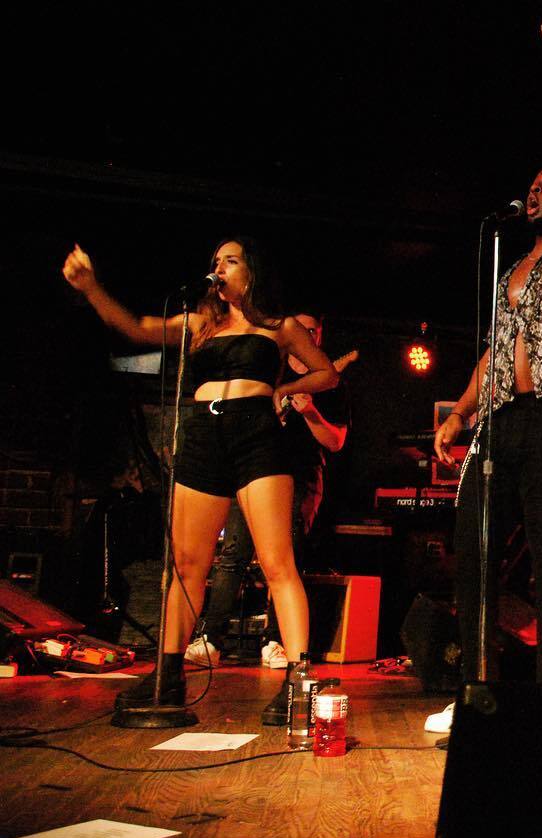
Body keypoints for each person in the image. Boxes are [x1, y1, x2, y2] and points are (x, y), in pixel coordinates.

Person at [426, 16, 542, 734]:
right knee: (474, 556)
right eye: (531, 183)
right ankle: (480, 697)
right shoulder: (512, 265)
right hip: (498, 422)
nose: (536, 189)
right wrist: (459, 412)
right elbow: (494, 351)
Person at [62, 237, 338, 724]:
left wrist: (285, 389)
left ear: (251, 271)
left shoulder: (280, 326)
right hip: (203, 436)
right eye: (216, 261)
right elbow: (135, 327)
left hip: (256, 436)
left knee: (277, 562)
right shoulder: (199, 323)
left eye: (230, 260)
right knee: (187, 563)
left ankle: (298, 680)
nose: (220, 267)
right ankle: (169, 674)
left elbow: (327, 374)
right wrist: (91, 288)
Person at [185, 313, 354, 669]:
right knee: (233, 553)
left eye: (312, 330)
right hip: (252, 471)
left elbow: (336, 441)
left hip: (299, 476)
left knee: (284, 559)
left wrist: (310, 413)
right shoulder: (268, 367)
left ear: (319, 336)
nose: (306, 333)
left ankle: (276, 641)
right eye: (301, 328)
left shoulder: (328, 382)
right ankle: (211, 638)